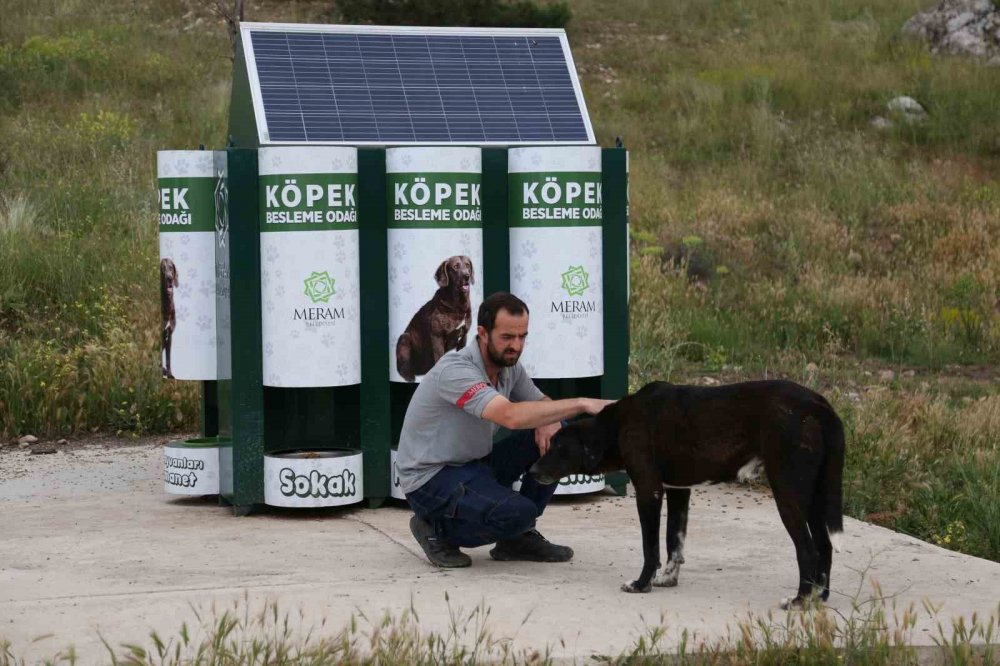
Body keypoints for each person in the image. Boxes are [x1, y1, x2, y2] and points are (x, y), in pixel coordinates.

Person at [396, 291, 614, 568]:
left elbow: (540, 403)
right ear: (483, 333)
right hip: (431, 478)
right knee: (519, 512)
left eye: (522, 336)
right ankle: (436, 531)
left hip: (473, 465)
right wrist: (582, 402)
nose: (516, 345)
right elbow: (509, 416)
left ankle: (516, 539)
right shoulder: (456, 370)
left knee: (560, 436)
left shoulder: (508, 366)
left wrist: (549, 420)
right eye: (508, 337)